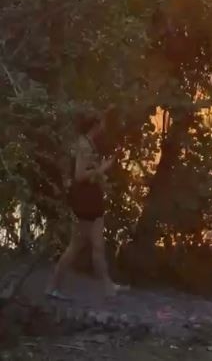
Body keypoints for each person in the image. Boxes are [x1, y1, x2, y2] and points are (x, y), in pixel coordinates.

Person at [46, 109, 119, 301]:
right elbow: (79, 176)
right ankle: (53, 286)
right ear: (95, 125)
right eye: (101, 122)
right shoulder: (83, 146)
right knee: (76, 246)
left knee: (97, 245)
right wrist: (102, 169)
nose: (104, 126)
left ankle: (108, 287)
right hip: (85, 201)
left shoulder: (88, 143)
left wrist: (99, 172)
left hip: (93, 199)